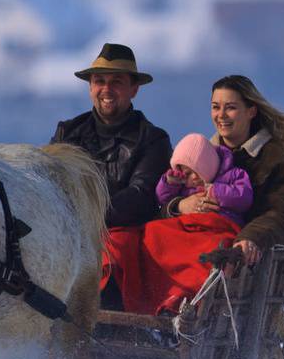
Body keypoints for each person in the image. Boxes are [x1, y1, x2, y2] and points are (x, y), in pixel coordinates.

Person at [106, 132, 253, 314]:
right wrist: (170, 182)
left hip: (217, 225)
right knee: (153, 232)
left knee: (206, 250)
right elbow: (163, 197)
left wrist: (216, 191)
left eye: (190, 172)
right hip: (186, 227)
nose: (188, 178)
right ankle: (163, 295)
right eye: (184, 173)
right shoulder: (187, 186)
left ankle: (187, 297)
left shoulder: (232, 175)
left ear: (204, 166)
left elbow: (243, 197)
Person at [171, 74, 284, 267]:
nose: (221, 115)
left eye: (231, 108)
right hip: (192, 247)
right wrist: (180, 206)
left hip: (245, 265)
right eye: (216, 107)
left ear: (251, 111)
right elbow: (165, 196)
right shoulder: (199, 155)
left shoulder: (272, 158)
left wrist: (251, 238)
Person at [48, 44, 171, 229]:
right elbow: (47, 182)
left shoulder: (153, 140)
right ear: (90, 87)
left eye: (117, 82)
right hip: (66, 236)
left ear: (134, 90)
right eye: (99, 81)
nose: (106, 89)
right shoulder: (67, 133)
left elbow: (140, 196)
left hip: (123, 244)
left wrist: (84, 218)